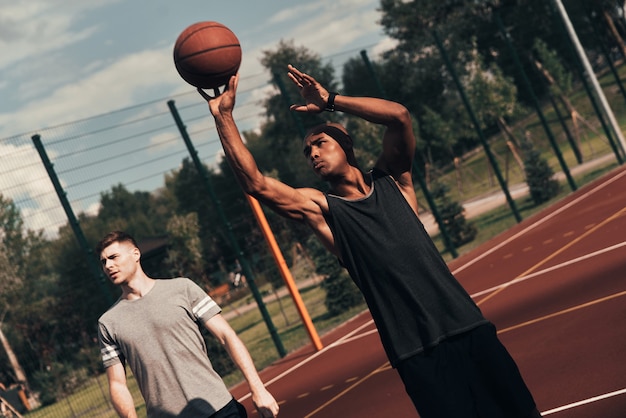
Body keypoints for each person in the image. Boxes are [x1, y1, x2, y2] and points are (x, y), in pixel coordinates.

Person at [197, 64, 542, 418]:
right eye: (307, 152)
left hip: (467, 324)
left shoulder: (395, 180)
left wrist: (330, 101)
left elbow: (399, 117)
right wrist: (223, 117)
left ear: (345, 146)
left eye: (320, 143)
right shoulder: (324, 210)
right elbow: (257, 184)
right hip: (416, 351)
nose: (313, 154)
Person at [96, 231, 279, 418]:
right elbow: (117, 383)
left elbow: (226, 336)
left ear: (136, 254)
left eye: (113, 257)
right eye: (103, 262)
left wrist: (258, 388)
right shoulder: (108, 323)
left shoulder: (183, 288)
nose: (108, 266)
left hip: (219, 408)